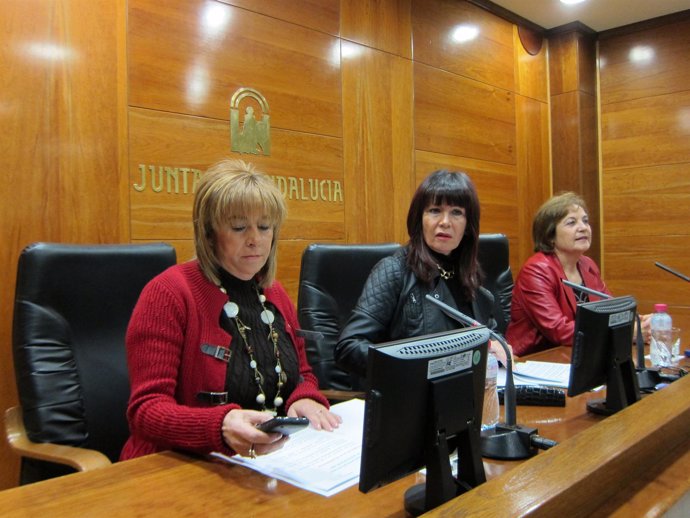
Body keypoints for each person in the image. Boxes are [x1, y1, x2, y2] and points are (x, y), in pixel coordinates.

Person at [121, 158, 340, 462]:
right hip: (178, 465)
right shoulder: (168, 293)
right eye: (239, 227)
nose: (255, 239)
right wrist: (219, 426)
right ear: (209, 233)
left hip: (267, 463)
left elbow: (302, 372)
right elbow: (146, 411)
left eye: (264, 227)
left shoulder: (273, 292)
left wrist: (303, 398)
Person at [335, 169, 507, 379]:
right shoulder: (394, 270)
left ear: (468, 226)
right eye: (435, 210)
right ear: (419, 219)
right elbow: (349, 347)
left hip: (466, 396)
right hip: (408, 398)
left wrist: (499, 347)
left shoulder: (468, 275)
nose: (445, 221)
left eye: (456, 212)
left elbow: (490, 333)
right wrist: (412, 368)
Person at [505, 191, 650, 356]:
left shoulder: (587, 265)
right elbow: (559, 330)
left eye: (585, 221)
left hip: (578, 353)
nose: (583, 227)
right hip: (537, 358)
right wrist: (625, 333)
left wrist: (636, 322)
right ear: (550, 235)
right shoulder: (537, 270)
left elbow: (610, 310)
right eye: (571, 222)